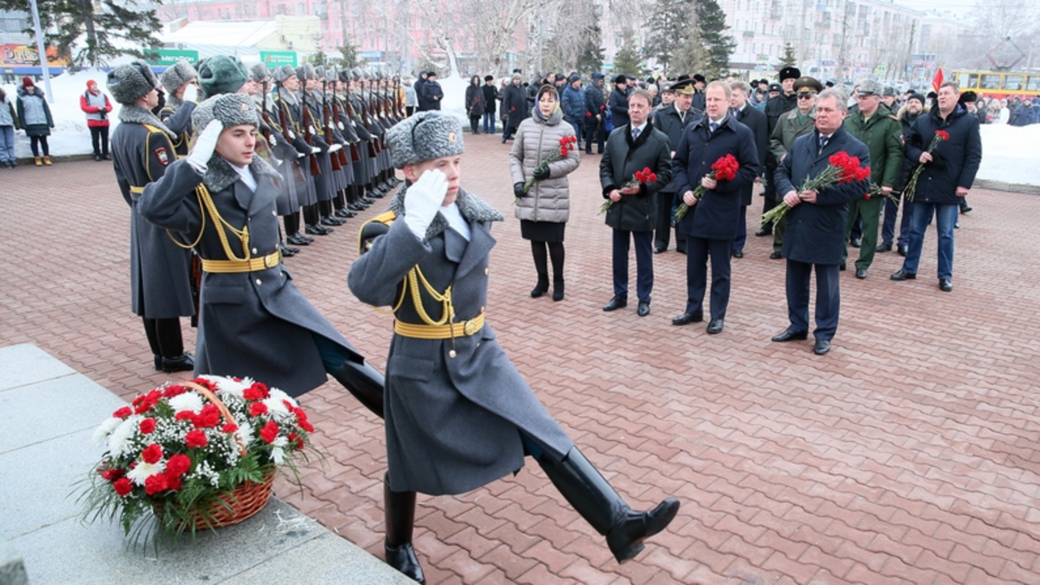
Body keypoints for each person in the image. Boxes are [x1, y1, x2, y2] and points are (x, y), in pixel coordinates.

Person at [348, 111, 679, 584]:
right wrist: (414, 220)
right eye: (439, 165)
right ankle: (397, 542)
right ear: (409, 171)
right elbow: (367, 287)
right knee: (406, 465)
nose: (454, 174)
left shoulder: (471, 212)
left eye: (457, 161)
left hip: (480, 351)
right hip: (422, 363)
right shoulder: (387, 228)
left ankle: (618, 522)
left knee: (540, 429)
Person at [135, 91, 385, 418]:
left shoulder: (261, 173)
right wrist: (191, 164)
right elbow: (153, 208)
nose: (249, 141)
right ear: (211, 139)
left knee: (337, 352)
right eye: (237, 134)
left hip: (277, 291)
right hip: (233, 306)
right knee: (235, 402)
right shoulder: (199, 188)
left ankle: (402, 416)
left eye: (252, 132)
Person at [107, 60, 195, 372]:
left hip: (139, 212)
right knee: (166, 285)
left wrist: (137, 206)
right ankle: (172, 354)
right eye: (154, 88)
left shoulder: (121, 130)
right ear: (144, 96)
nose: (159, 92)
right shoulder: (152, 135)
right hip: (161, 216)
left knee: (150, 284)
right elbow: (169, 185)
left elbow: (121, 180)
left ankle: (161, 351)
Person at [772, 88, 870, 356]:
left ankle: (824, 333)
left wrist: (822, 195)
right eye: (819, 110)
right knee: (795, 280)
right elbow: (781, 171)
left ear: (843, 113)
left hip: (827, 224)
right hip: (798, 221)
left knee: (827, 285)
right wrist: (788, 190)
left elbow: (861, 186)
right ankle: (797, 325)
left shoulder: (855, 148)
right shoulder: (802, 143)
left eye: (828, 110)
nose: (822, 115)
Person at [671, 81, 760, 334]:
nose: (711, 104)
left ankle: (717, 315)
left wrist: (723, 183)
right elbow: (679, 165)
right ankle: (693, 308)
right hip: (694, 210)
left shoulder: (740, 133)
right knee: (694, 265)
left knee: (721, 268)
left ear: (729, 101)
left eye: (717, 100)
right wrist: (685, 189)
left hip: (722, 211)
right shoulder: (693, 129)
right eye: (708, 99)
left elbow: (751, 169)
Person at [891, 82, 982, 293]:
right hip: (923, 183)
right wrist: (917, 155)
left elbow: (973, 155)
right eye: (940, 94)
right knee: (915, 230)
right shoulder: (924, 121)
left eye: (946, 94)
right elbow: (908, 145)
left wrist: (964, 184)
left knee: (946, 233)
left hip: (949, 186)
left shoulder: (968, 122)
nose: (941, 97)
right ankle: (909, 268)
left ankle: (944, 275)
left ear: (956, 97)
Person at [600, 89, 673, 317]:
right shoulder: (616, 135)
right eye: (632, 106)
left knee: (644, 255)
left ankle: (644, 297)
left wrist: (643, 188)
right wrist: (610, 188)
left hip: (642, 207)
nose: (634, 110)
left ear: (649, 109)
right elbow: (605, 167)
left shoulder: (659, 140)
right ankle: (619, 294)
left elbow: (665, 174)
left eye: (640, 106)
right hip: (619, 205)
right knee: (619, 254)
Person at [509, 84, 581, 301]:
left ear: (556, 102)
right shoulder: (525, 126)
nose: (546, 104)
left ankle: (559, 281)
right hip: (530, 194)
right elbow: (515, 157)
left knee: (555, 242)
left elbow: (573, 160)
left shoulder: (566, 129)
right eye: (542, 99)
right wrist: (518, 181)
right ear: (537, 102)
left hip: (554, 195)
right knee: (536, 240)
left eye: (550, 100)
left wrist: (550, 170)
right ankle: (542, 280)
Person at [841, 79, 902, 280]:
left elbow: (894, 153)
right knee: (843, 221)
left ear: (877, 99)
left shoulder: (890, 123)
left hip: (873, 183)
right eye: (859, 97)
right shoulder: (849, 121)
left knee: (869, 225)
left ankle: (863, 262)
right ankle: (839, 257)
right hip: (847, 182)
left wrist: (888, 182)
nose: (860, 101)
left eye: (865, 97)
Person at [768, 76, 821, 261]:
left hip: (810, 170)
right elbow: (774, 140)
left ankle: (803, 245)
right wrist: (781, 154)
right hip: (787, 169)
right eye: (800, 97)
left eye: (808, 97)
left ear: (815, 98)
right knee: (782, 204)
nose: (803, 100)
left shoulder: (819, 119)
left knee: (806, 210)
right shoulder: (785, 118)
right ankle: (780, 245)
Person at [650, 77, 698, 254]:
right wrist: (668, 152)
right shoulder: (661, 115)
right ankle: (660, 242)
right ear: (676, 96)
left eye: (691, 97)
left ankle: (683, 241)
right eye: (685, 96)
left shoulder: (697, 116)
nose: (688, 101)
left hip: (687, 169)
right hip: (666, 168)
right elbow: (654, 140)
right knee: (663, 207)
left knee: (683, 205)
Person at [879, 92, 925, 257]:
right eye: (911, 101)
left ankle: (904, 241)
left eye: (917, 102)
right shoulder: (897, 122)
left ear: (922, 105)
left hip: (915, 170)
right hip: (898, 170)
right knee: (891, 207)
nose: (913, 104)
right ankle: (887, 239)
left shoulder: (925, 123)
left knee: (910, 210)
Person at [758, 67, 800, 236]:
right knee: (770, 193)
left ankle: (787, 228)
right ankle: (767, 224)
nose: (789, 84)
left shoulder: (801, 101)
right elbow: (766, 132)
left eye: (792, 81)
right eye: (786, 81)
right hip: (774, 157)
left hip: (796, 157)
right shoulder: (772, 103)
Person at [729, 80, 768, 259]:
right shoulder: (725, 113)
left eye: (735, 95)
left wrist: (757, 170)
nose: (732, 99)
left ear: (745, 95)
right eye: (730, 96)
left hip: (744, 168)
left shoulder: (757, 117)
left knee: (740, 206)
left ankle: (737, 244)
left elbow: (761, 144)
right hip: (724, 168)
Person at [157, 59, 199, 157]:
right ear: (179, 88)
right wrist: (188, 103)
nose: (197, 87)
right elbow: (173, 129)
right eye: (192, 83)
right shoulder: (167, 111)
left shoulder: (195, 107)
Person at [15, 77, 53, 166]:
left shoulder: (39, 96)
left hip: (42, 121)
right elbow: (20, 112)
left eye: (31, 86)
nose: (30, 88)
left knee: (44, 140)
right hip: (30, 122)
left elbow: (46, 109)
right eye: (27, 86)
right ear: (24, 87)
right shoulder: (21, 98)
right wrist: (22, 123)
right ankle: (37, 157)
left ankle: (46, 157)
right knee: (34, 141)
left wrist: (50, 121)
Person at [81, 80, 113, 161]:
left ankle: (105, 153)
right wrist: (97, 109)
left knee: (105, 138)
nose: (95, 86)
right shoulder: (85, 95)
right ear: (89, 86)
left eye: (95, 84)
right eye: (92, 85)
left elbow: (109, 106)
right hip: (93, 120)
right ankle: (97, 154)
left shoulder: (103, 95)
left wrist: (105, 109)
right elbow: (84, 107)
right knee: (95, 138)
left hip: (104, 120)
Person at [584, 72, 607, 154]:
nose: (601, 82)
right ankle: (588, 148)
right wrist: (596, 113)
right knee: (591, 131)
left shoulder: (599, 88)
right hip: (592, 114)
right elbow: (590, 103)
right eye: (600, 80)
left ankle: (601, 148)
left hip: (601, 112)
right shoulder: (590, 89)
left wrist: (605, 108)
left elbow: (602, 100)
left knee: (601, 131)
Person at [501, 72, 527, 142]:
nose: (517, 80)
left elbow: (525, 98)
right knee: (510, 124)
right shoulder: (509, 88)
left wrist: (526, 108)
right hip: (513, 110)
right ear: (513, 79)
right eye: (516, 79)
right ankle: (505, 137)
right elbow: (506, 100)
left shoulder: (522, 88)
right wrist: (507, 111)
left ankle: (520, 138)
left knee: (521, 125)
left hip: (522, 109)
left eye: (518, 79)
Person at [561, 74, 585, 145]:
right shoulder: (567, 91)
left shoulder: (581, 90)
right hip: (572, 117)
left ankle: (579, 145)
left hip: (580, 116)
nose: (580, 82)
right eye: (578, 81)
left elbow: (584, 101)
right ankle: (574, 146)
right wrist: (572, 113)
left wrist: (584, 111)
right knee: (574, 133)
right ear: (574, 82)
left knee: (579, 133)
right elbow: (565, 103)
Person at [0, 86, 18, 168]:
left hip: (8, 123)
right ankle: (4, 159)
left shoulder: (6, 100)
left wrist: (16, 123)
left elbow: (12, 112)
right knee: (2, 143)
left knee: (10, 142)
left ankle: (12, 158)